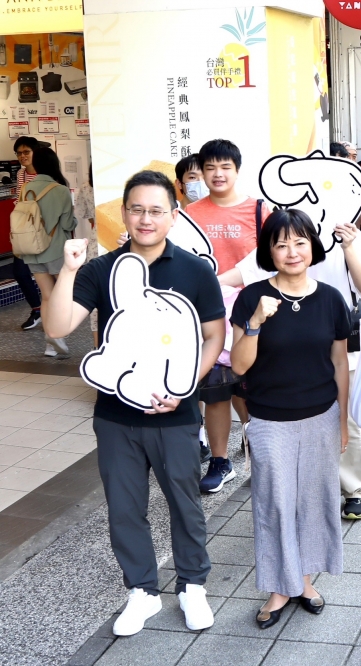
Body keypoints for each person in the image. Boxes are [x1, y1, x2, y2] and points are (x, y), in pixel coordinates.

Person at [44, 170, 224, 636]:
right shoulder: (101, 270)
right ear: (124, 213)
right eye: (137, 209)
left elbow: (214, 336)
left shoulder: (194, 269)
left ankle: (192, 586)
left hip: (176, 415)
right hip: (115, 416)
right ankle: (142, 591)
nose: (146, 219)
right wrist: (68, 268)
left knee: (185, 503)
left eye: (156, 210)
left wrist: (185, 386)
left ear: (174, 215)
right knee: (125, 507)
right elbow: (58, 327)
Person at [229, 209, 351, 628]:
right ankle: (280, 587)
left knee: (314, 500)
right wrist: (257, 320)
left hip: (321, 414)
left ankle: (304, 579)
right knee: (274, 502)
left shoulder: (332, 298)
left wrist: (343, 420)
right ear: (268, 251)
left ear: (312, 247)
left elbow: (340, 363)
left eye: (299, 242)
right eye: (280, 244)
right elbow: (241, 366)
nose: (291, 251)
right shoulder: (252, 297)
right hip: (268, 418)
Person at [185, 139, 260, 493]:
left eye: (225, 167)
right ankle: (220, 460)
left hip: (253, 313)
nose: (217, 174)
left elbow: (270, 259)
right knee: (215, 391)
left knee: (253, 389)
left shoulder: (260, 212)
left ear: (237, 170)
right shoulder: (188, 215)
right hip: (208, 316)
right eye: (210, 167)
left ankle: (259, 452)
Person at [18, 146, 77, 358]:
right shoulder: (61, 190)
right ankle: (58, 336)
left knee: (46, 296)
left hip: (32, 250)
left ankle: (50, 345)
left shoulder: (26, 188)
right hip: (55, 250)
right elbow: (68, 223)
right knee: (62, 295)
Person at [12, 137, 45, 331]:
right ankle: (37, 310)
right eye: (19, 153)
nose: (23, 156)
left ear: (35, 152)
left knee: (50, 275)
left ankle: (59, 312)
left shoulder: (46, 174)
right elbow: (19, 201)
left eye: (26, 152)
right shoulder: (21, 175)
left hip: (44, 232)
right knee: (20, 272)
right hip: (24, 231)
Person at [74, 166, 98, 349]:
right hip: (124, 240)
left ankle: (98, 348)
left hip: (97, 243)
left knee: (96, 298)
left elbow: (87, 217)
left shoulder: (85, 187)